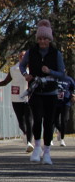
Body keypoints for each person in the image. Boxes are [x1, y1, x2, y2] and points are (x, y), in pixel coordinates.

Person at [20, 24, 66, 165]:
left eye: (45, 39)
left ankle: (47, 152)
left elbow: (62, 73)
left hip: (51, 91)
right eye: (40, 38)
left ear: (49, 39)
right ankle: (37, 148)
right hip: (36, 90)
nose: (42, 41)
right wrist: (25, 74)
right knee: (37, 119)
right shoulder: (31, 52)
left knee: (48, 122)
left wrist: (50, 71)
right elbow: (22, 65)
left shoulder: (56, 53)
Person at [0, 50, 34, 152]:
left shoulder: (32, 69)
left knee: (29, 120)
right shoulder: (13, 69)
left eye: (25, 56)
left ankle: (29, 143)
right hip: (16, 98)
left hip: (29, 98)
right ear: (18, 58)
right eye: (21, 56)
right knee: (21, 122)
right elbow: (5, 82)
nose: (23, 57)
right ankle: (26, 134)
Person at [55, 73, 74, 147]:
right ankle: (60, 130)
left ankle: (62, 139)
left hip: (66, 102)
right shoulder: (54, 78)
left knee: (64, 120)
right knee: (55, 121)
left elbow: (73, 88)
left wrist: (73, 95)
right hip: (56, 102)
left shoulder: (69, 79)